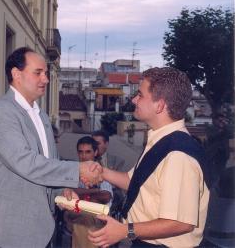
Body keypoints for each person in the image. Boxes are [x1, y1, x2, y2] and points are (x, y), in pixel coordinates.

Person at [0, 47, 102, 248]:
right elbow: (25, 162)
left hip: (40, 229)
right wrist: (77, 170)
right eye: (38, 73)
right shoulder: (1, 112)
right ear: (16, 74)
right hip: (5, 232)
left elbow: (50, 162)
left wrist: (62, 187)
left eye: (46, 73)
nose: (46, 79)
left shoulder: (41, 115)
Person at [87, 67, 211, 247]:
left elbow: (181, 222)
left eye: (140, 94)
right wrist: (101, 171)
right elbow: (136, 183)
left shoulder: (178, 155)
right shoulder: (161, 140)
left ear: (159, 105)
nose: (134, 99)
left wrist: (125, 230)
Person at [64, 136, 112, 248]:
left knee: (87, 222)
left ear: (95, 152)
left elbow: (106, 196)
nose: (84, 156)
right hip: (74, 214)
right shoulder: (72, 172)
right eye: (81, 152)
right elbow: (66, 192)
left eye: (88, 152)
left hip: (98, 216)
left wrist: (80, 193)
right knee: (84, 221)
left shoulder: (101, 172)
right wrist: (95, 191)